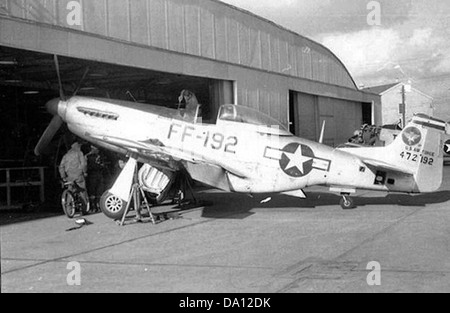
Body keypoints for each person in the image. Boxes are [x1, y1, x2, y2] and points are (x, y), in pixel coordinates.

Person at [59, 141, 89, 210]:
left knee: (70, 190)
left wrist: (63, 176)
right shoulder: (79, 153)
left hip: (69, 176)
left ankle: (69, 209)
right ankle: (84, 209)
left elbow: (61, 166)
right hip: (79, 175)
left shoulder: (66, 155)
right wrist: (84, 172)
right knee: (82, 190)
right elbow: (84, 164)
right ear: (78, 147)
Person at [86, 145, 107, 213]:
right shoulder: (88, 157)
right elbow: (86, 166)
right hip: (93, 175)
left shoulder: (99, 156)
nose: (98, 151)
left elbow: (103, 165)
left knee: (99, 191)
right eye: (97, 149)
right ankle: (94, 206)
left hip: (98, 175)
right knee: (93, 192)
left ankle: (98, 206)